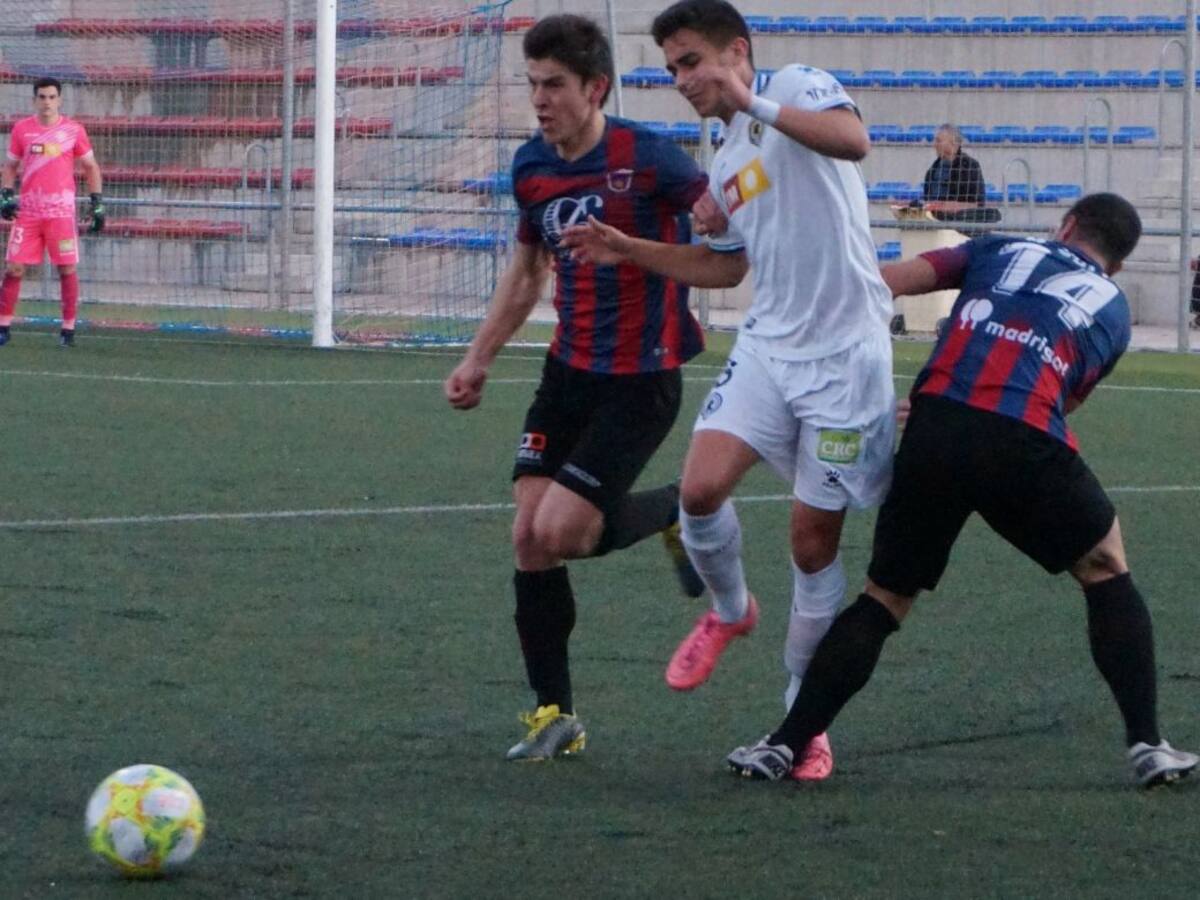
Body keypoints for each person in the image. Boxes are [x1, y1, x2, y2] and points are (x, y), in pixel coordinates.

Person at [726, 193, 1199, 790]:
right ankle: (1149, 746)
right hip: (1021, 438)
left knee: (884, 598)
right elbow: (1065, 400)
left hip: (936, 426)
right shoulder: (1113, 308)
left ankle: (782, 745)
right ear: (1120, 264)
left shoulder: (996, 248)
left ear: (1067, 224)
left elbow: (881, 284)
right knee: (1105, 567)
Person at [562, 0, 895, 781]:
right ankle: (732, 610)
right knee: (699, 491)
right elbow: (726, 266)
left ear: (737, 52)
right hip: (770, 346)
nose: (681, 80)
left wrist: (752, 101)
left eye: (690, 62)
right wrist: (630, 248)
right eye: (671, 68)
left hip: (846, 360)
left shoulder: (797, 87)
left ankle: (803, 720)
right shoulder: (725, 161)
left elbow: (854, 141)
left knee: (811, 545)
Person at [443, 14, 710, 761]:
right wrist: (478, 358)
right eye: (532, 84)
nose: (540, 100)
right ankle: (554, 716)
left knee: (562, 532)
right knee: (529, 538)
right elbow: (528, 271)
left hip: (640, 381)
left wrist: (693, 223)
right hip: (568, 374)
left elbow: (721, 231)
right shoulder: (531, 165)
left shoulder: (651, 159)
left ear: (595, 88)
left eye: (554, 85)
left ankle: (674, 509)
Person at [1, 77, 105, 347]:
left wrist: (97, 203)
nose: (46, 102)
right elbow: (10, 166)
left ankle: (68, 330)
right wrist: (6, 195)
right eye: (42, 97)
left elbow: (91, 166)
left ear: (59, 100)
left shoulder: (73, 130)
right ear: (34, 100)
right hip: (28, 212)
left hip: (61, 213)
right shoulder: (22, 129)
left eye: (51, 97)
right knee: (13, 268)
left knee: (66, 268)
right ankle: (3, 327)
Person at [921, 124, 985, 212]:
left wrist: (948, 207)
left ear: (954, 143)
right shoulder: (932, 171)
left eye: (939, 141)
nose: (935, 145)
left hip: (961, 219)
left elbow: (979, 204)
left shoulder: (970, 166)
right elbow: (927, 202)